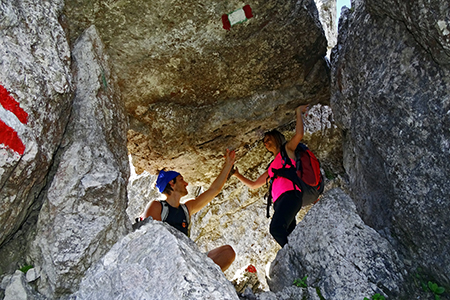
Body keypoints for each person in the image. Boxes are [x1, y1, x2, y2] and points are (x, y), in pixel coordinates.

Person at [141, 149, 236, 271]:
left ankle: (203, 281)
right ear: (171, 183)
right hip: (168, 263)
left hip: (189, 259)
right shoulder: (157, 206)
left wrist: (228, 164)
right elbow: (151, 240)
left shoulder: (186, 209)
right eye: (181, 179)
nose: (186, 183)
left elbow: (213, 190)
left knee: (227, 252)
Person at [232, 105, 309, 247]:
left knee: (276, 229)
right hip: (280, 202)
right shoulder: (272, 166)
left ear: (276, 137)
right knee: (291, 236)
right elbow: (254, 185)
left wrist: (298, 112)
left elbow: (298, 135)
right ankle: (298, 256)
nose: (266, 143)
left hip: (291, 196)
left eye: (268, 139)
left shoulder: (287, 151)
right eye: (264, 142)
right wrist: (237, 175)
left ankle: (293, 258)